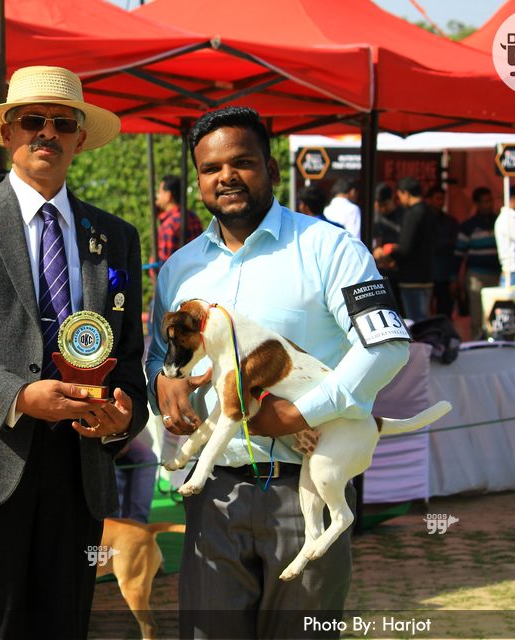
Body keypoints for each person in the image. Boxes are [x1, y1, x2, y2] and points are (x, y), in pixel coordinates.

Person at [146, 106, 409, 638]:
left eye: (241, 162)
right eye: (211, 168)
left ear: (270, 167)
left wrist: (301, 413)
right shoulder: (179, 269)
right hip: (215, 496)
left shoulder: (331, 248)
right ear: (198, 179)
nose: (226, 177)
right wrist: (161, 383)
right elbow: (160, 357)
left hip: (303, 484)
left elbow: (387, 346)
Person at [0, 66, 148, 638]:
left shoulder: (116, 236)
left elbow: (128, 355)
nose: (47, 133)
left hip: (79, 470)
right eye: (32, 121)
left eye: (62, 123)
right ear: (7, 133)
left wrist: (122, 418)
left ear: (80, 138)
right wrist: (19, 396)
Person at [376, 177, 437, 322]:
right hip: (427, 275)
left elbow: (405, 248)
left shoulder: (411, 214)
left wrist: (388, 252)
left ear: (406, 193)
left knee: (414, 323)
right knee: (423, 320)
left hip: (411, 277)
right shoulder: (430, 211)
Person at [455, 187, 501, 338]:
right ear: (477, 204)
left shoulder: (499, 222)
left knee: (495, 315)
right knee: (477, 315)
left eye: (490, 201)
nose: (489, 204)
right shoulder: (469, 226)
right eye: (485, 201)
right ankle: (477, 341)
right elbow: (459, 255)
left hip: (497, 276)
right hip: (477, 277)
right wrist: (455, 279)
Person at [426, 186, 460, 318]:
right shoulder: (423, 220)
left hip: (446, 274)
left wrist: (454, 277)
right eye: (438, 198)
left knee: (445, 314)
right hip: (427, 275)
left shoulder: (451, 222)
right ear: (429, 200)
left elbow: (455, 248)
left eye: (442, 199)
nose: (441, 202)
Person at [155, 174, 203, 264]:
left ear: (168, 196)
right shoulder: (193, 217)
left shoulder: (169, 225)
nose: (157, 196)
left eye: (160, 192)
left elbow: (166, 265)